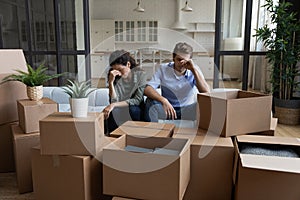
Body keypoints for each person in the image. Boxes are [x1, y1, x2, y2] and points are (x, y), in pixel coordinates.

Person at [144, 42, 210, 122]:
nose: (182, 64)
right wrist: (163, 100)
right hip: (168, 109)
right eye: (179, 59)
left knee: (206, 103)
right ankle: (153, 132)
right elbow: (147, 89)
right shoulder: (163, 68)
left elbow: (206, 92)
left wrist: (193, 70)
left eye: (185, 61)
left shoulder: (194, 69)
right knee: (150, 102)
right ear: (173, 58)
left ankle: (202, 133)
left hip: (187, 110)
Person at [103, 50, 147, 134]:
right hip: (119, 108)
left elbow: (137, 100)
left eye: (120, 69)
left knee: (133, 110)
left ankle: (135, 137)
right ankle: (113, 138)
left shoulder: (140, 75)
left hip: (135, 107)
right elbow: (113, 101)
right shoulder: (114, 76)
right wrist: (111, 82)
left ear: (128, 64)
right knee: (112, 112)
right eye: (115, 70)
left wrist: (114, 105)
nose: (118, 73)